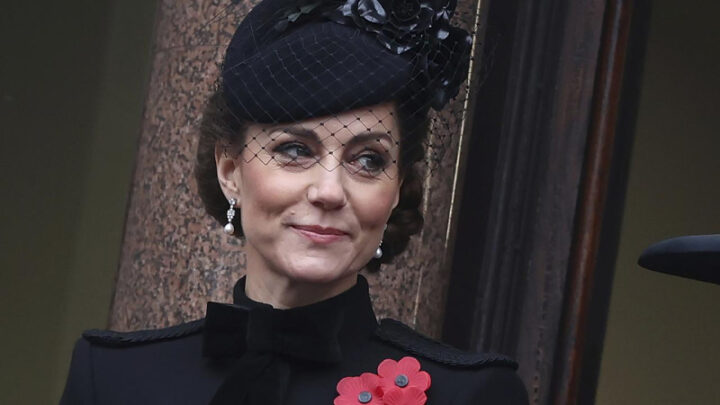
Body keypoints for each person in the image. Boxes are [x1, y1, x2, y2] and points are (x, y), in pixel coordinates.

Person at [60, 0, 529, 403]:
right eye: (295, 150)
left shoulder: (468, 396)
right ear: (230, 172)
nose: (328, 191)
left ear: (398, 189)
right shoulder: (113, 380)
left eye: (368, 160)